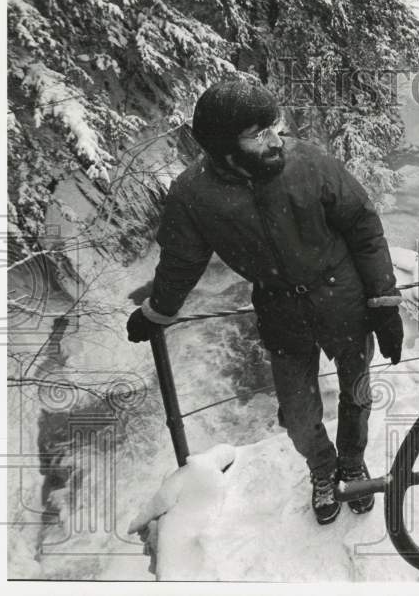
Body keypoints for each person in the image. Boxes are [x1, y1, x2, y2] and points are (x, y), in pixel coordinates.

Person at [126, 80, 404, 525]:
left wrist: (385, 302)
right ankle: (323, 469)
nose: (276, 141)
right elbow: (181, 261)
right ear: (222, 148)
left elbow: (363, 227)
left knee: (356, 393)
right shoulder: (193, 195)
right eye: (258, 134)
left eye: (273, 128)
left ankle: (353, 462)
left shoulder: (309, 163)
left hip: (343, 296)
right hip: (280, 311)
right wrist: (157, 312)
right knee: (297, 414)